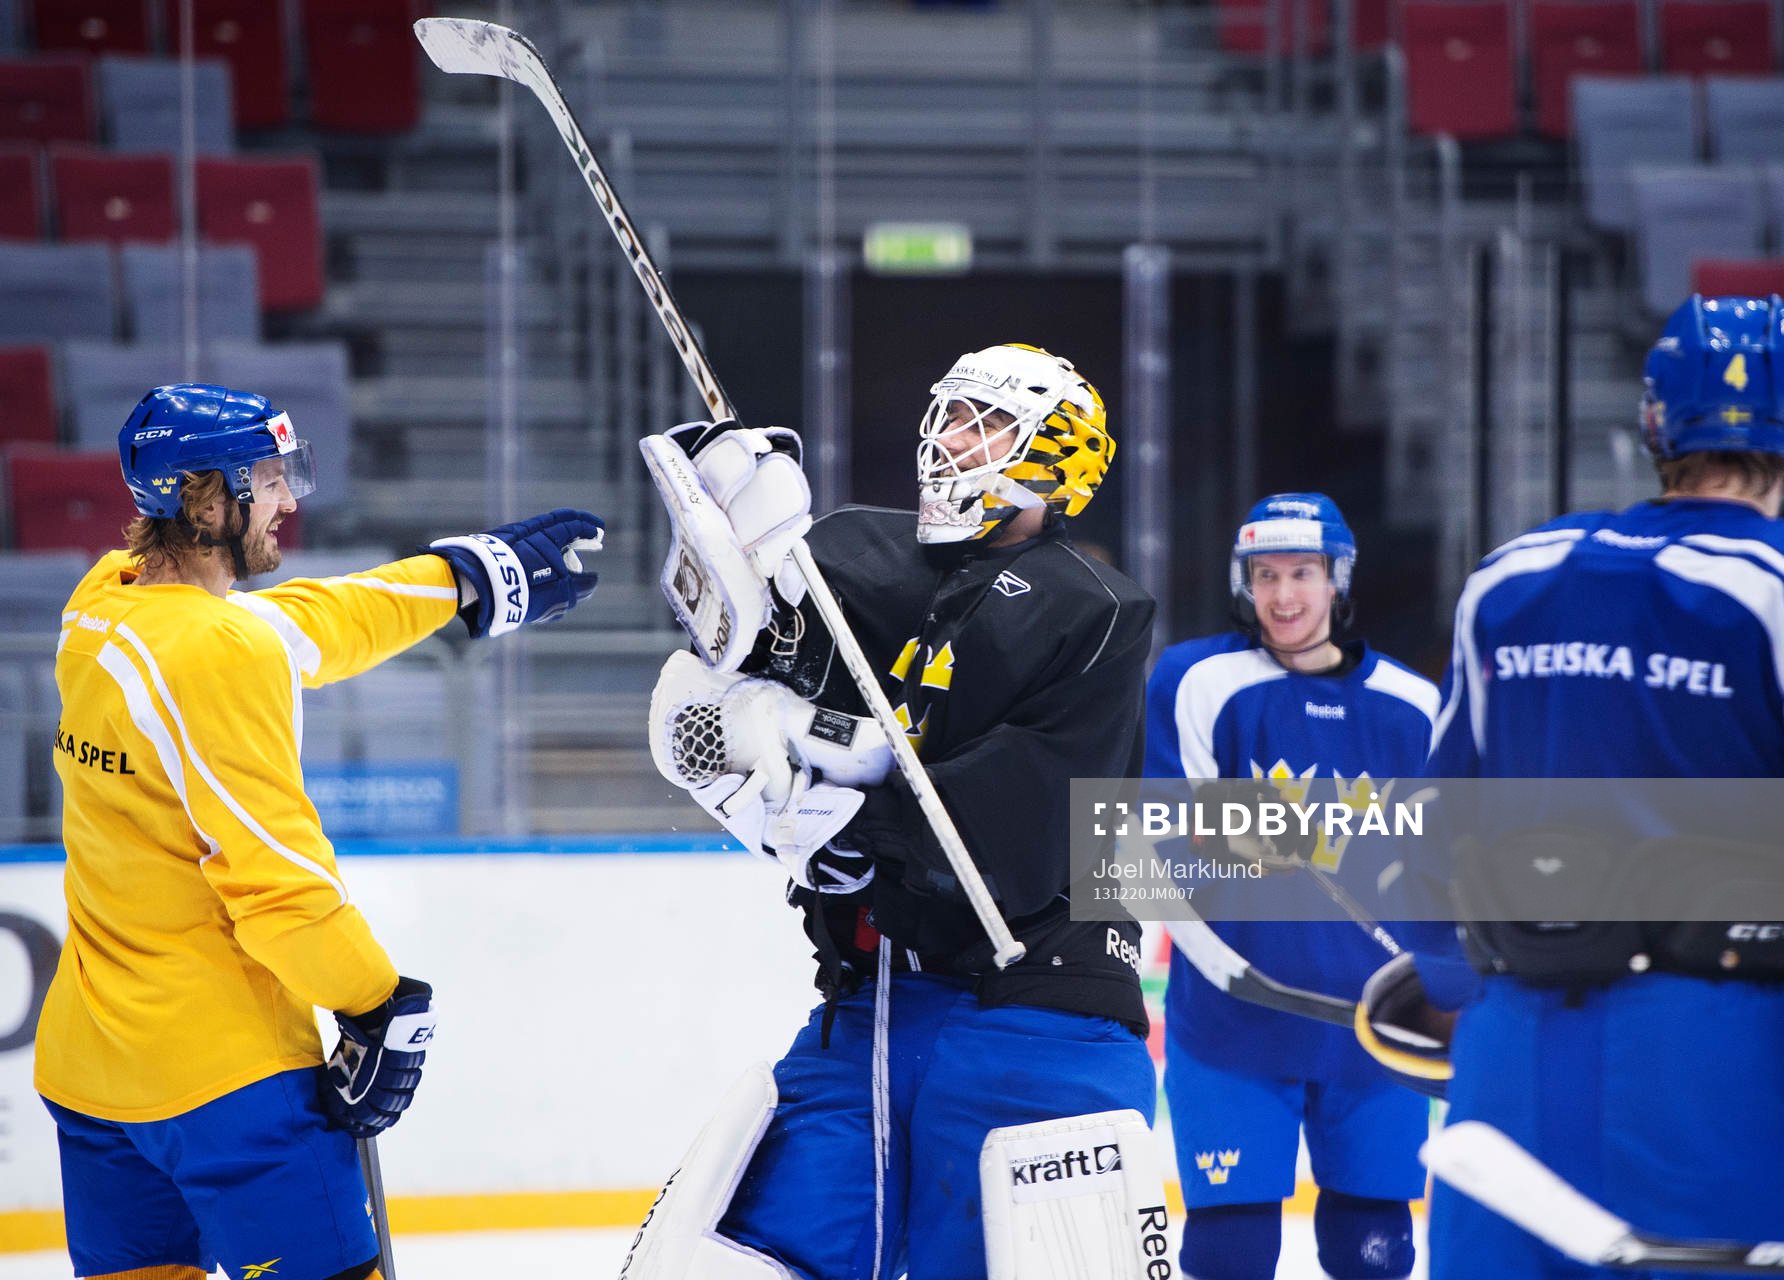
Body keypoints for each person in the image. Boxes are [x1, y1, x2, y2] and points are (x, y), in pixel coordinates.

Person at [36, 383, 603, 1280]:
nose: (291, 499)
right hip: (226, 1084)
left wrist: (457, 578)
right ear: (204, 497)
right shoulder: (217, 652)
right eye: (269, 476)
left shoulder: (103, 602)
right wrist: (377, 1004)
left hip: (92, 1076)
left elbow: (302, 623)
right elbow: (276, 886)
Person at [644, 343, 1158, 1279]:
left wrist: (855, 816)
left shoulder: (1093, 610)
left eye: (986, 422)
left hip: (1035, 1009)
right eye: (949, 413)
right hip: (870, 1005)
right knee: (744, 1261)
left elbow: (1018, 835)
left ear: (1058, 457)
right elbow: (733, 660)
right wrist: (741, 539)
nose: (951, 438)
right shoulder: (857, 553)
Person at [1402, 295, 1784, 1279]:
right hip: (1715, 1058)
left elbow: (1433, 826)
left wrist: (1447, 987)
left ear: (1654, 422)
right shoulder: (1768, 589)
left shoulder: (1508, 576)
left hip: (1506, 1057)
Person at [1142, 493, 1439, 1280]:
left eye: (1302, 573)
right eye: (1265, 574)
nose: (1283, 596)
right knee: (1229, 1255)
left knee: (1374, 1255)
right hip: (1232, 1028)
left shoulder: (1415, 707)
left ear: (1337, 578)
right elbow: (1160, 849)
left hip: (1377, 1032)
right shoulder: (1195, 681)